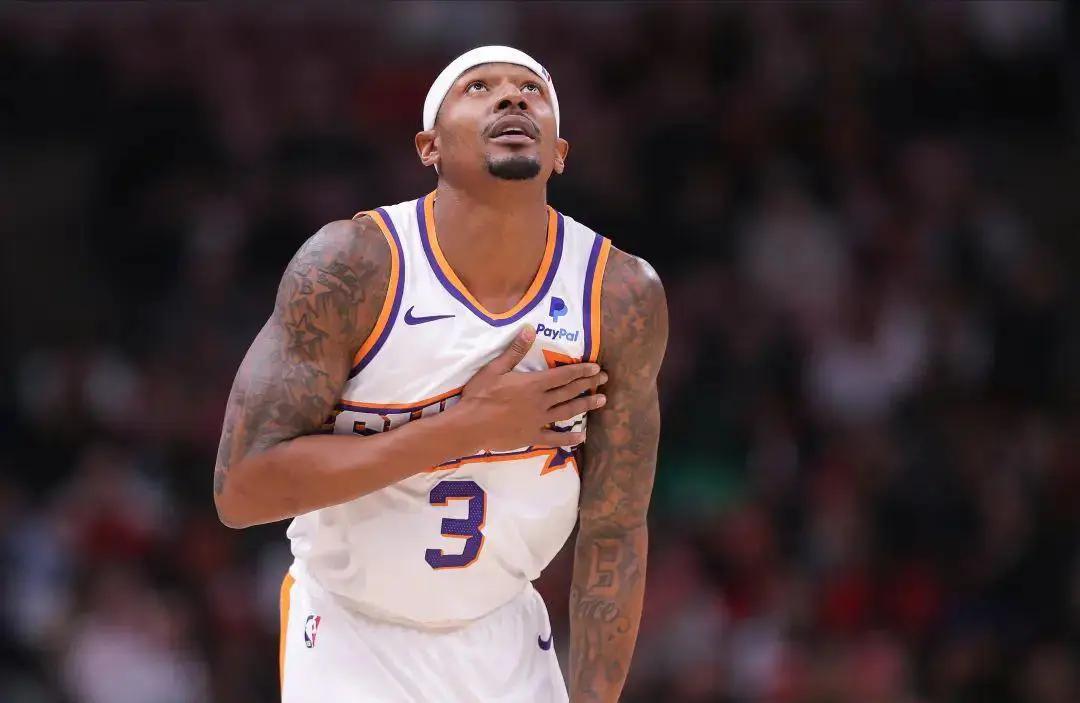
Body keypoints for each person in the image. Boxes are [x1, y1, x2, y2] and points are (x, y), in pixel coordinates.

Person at [213, 45, 667, 703]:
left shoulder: (618, 295)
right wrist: (464, 430)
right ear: (429, 147)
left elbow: (615, 528)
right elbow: (242, 490)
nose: (512, 97)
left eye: (532, 90)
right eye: (478, 87)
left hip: (507, 636)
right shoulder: (352, 267)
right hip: (351, 632)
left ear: (560, 153)